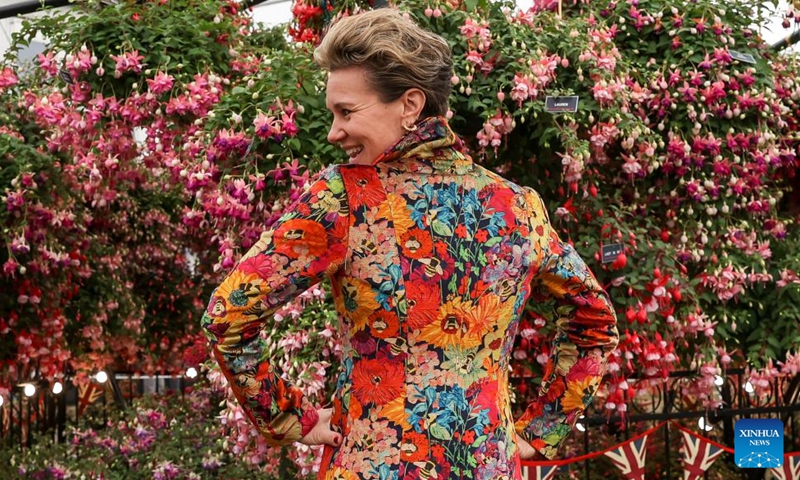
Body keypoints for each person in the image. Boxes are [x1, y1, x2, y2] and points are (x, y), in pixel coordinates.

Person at [201, 8, 619, 480]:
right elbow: (595, 321)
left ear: (410, 104)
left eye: (346, 111)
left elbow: (228, 315)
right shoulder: (517, 206)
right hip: (487, 467)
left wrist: (287, 416)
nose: (334, 132)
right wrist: (540, 430)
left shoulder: (345, 199)